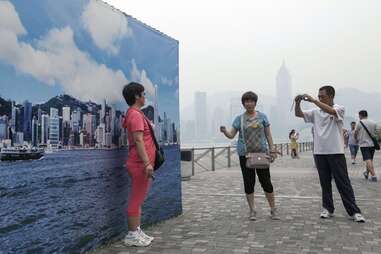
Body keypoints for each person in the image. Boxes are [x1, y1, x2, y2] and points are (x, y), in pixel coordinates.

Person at [294, 85, 365, 222]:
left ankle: (354, 211)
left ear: (331, 96)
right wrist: (298, 102)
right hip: (320, 152)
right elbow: (299, 114)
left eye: (323, 96)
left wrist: (314, 100)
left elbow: (331, 111)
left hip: (336, 152)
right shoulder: (315, 112)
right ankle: (327, 208)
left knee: (343, 182)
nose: (320, 98)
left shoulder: (339, 109)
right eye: (319, 96)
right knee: (324, 182)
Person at [220, 91, 280, 221]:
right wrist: (225, 131)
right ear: (243, 103)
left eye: (251, 101)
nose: (249, 103)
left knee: (266, 182)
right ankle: (252, 210)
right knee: (249, 182)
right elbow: (231, 135)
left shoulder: (262, 116)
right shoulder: (239, 119)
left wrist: (272, 149)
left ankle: (273, 209)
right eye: (246, 101)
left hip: (261, 154)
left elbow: (268, 135)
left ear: (255, 102)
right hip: (245, 155)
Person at [122, 82, 156, 247]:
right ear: (137, 96)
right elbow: (138, 139)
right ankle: (131, 235)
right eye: (143, 93)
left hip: (141, 164)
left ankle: (137, 230)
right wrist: (147, 163)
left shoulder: (137, 114)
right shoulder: (135, 115)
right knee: (136, 200)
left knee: (139, 199)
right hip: (139, 164)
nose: (145, 96)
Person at [355, 110, 378, 182]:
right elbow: (376, 132)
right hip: (372, 145)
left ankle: (374, 176)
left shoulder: (359, 123)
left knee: (368, 160)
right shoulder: (373, 123)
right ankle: (366, 173)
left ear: (361, 115)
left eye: (359, 115)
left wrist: (356, 139)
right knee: (370, 160)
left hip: (364, 144)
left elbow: (355, 132)